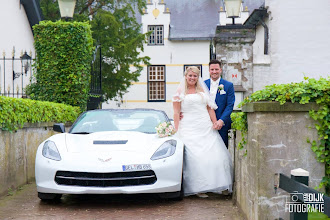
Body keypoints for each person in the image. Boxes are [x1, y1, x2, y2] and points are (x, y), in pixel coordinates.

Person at [173, 66, 233, 198]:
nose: (192, 78)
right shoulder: (180, 91)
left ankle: (218, 185)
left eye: (195, 76)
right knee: (195, 158)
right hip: (189, 127)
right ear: (186, 76)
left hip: (205, 126)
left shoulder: (202, 90)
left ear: (197, 77)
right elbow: (176, 112)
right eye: (190, 76)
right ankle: (199, 188)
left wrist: (215, 122)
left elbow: (210, 108)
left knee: (215, 156)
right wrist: (176, 130)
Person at [204, 59, 235, 148]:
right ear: (209, 71)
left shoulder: (228, 85)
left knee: (222, 149)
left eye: (216, 69)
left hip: (222, 124)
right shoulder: (203, 84)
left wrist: (221, 120)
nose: (214, 72)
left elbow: (230, 105)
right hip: (206, 123)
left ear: (220, 70)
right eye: (212, 69)